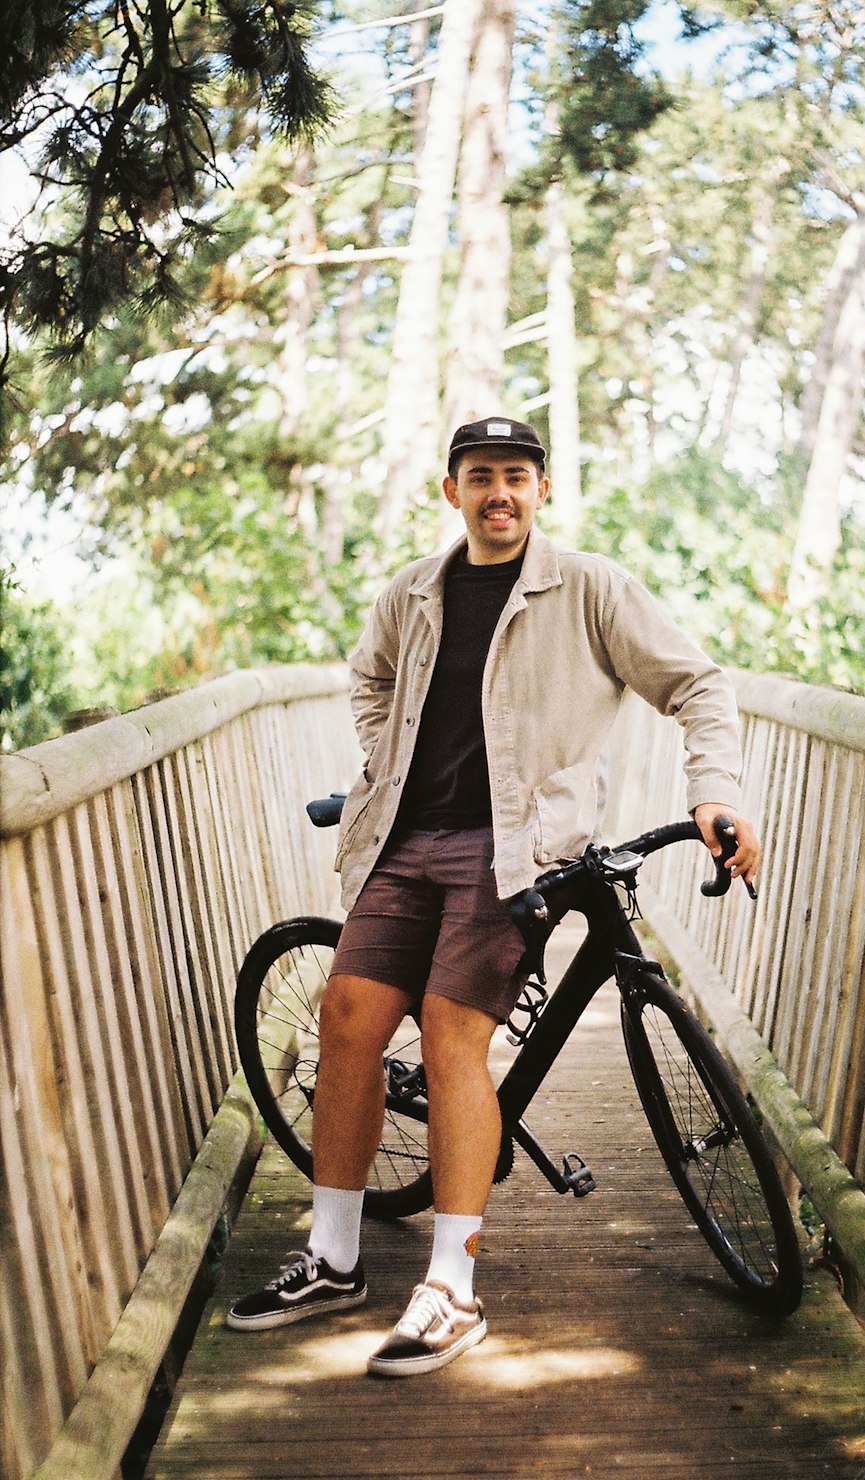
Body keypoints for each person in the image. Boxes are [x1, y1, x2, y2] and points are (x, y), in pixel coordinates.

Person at [227, 415, 760, 1376]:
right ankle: (335, 1257)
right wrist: (385, 760)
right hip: (402, 839)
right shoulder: (414, 593)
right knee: (345, 1016)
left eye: (517, 475)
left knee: (449, 1030)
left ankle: (451, 1287)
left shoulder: (587, 588)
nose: (499, 491)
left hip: (515, 852)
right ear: (453, 491)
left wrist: (713, 788)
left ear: (541, 489)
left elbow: (699, 686)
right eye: (481, 476)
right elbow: (370, 679)